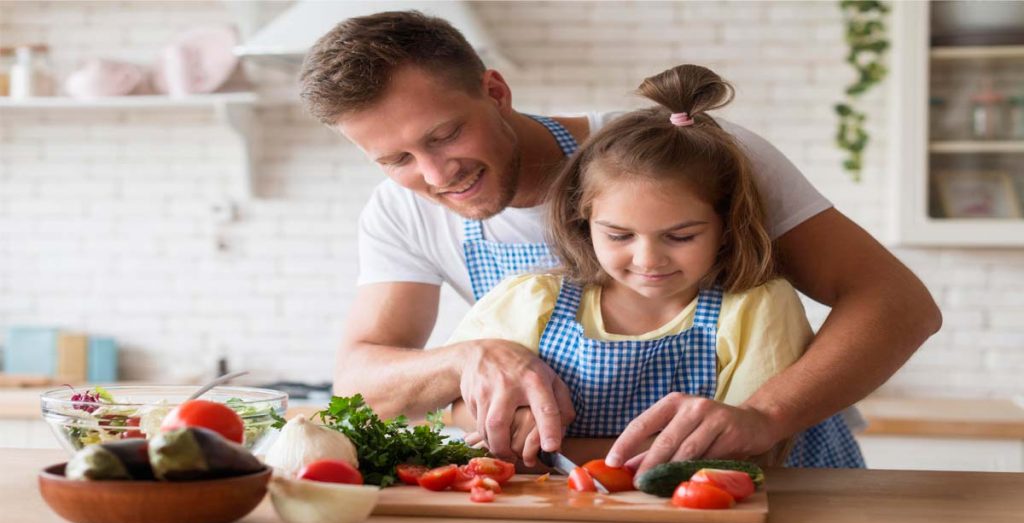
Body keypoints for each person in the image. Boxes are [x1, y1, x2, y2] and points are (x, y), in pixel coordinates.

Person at [298, 11, 940, 473]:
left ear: (495, 91)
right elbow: (361, 379)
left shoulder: (692, 154)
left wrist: (765, 416)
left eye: (443, 135)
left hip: (776, 474)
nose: (436, 176)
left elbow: (896, 303)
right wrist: (467, 361)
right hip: (579, 488)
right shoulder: (401, 212)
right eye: (396, 159)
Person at [447, 63, 863, 470]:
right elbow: (460, 404)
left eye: (680, 237)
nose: (648, 259)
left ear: (726, 226)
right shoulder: (529, 298)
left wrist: (559, 447)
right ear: (583, 221)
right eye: (619, 236)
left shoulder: (757, 308)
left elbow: (738, 451)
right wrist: (504, 420)